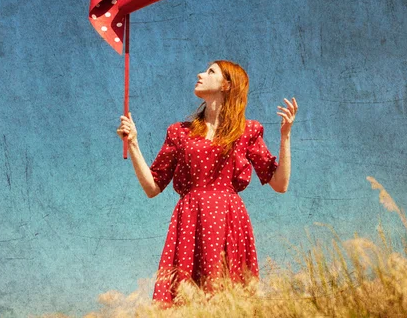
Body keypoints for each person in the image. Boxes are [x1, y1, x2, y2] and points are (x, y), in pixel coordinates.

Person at [116, 60, 297, 308]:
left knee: (231, 301)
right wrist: (134, 144)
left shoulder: (248, 130)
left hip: (229, 219)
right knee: (186, 301)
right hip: (190, 220)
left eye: (210, 71)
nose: (200, 74)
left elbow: (280, 183)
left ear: (227, 84)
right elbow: (152, 187)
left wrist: (285, 135)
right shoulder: (179, 132)